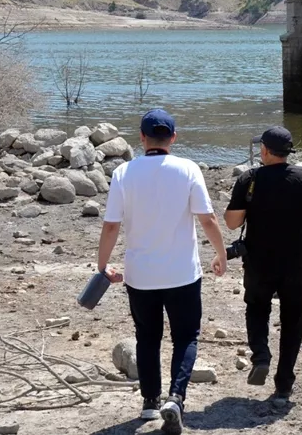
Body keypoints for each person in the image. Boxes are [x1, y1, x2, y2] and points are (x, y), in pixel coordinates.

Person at [97, 109, 227, 434]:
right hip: (182, 273)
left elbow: (111, 225)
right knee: (186, 336)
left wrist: (102, 265)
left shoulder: (124, 173)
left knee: (147, 337)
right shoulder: (188, 168)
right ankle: (176, 398)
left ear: (141, 138)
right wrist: (221, 253)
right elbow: (207, 218)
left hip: (140, 275)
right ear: (174, 138)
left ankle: (149, 403)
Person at [224, 126, 302, 402]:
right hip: (296, 262)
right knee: (293, 321)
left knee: (256, 309)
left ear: (266, 151)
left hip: (259, 261)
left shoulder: (250, 179)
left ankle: (261, 356)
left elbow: (232, 223)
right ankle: (284, 384)